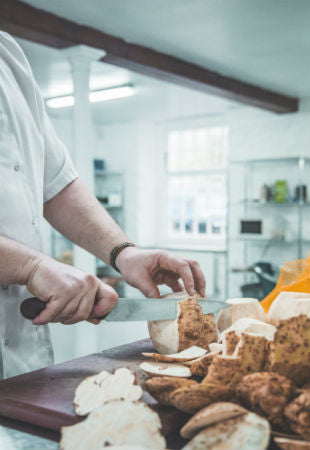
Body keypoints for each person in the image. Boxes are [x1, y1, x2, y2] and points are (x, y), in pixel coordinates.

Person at [0, 32, 206, 379]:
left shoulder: (8, 55)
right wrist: (31, 266)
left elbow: (57, 183)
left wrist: (123, 252)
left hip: (22, 365)